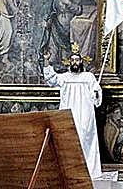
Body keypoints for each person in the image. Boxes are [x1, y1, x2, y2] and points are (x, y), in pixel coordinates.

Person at [43, 45, 102, 179]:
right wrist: (46, 61)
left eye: (77, 60)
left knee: (85, 139)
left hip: (85, 113)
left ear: (81, 61)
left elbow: (97, 95)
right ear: (69, 62)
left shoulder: (89, 77)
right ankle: (70, 170)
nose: (75, 62)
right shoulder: (64, 77)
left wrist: (96, 93)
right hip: (68, 112)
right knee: (68, 140)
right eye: (73, 60)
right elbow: (51, 79)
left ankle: (88, 170)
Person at [40, 0, 83, 67]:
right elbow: (52, 13)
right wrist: (48, 22)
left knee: (67, 45)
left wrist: (69, 4)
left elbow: (79, 10)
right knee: (53, 42)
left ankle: (67, 61)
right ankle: (52, 61)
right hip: (57, 24)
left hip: (69, 24)